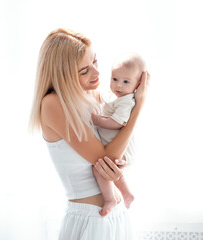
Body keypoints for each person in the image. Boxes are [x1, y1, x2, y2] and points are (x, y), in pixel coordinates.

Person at [29, 28, 149, 239]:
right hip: (92, 219)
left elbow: (115, 155)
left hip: (115, 214)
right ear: (62, 75)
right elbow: (107, 159)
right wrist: (138, 108)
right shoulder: (53, 104)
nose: (96, 73)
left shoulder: (91, 96)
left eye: (95, 62)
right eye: (84, 71)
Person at [91, 52, 146, 217]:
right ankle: (127, 194)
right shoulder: (116, 96)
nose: (119, 86)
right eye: (115, 79)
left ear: (137, 85)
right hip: (115, 146)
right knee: (108, 170)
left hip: (123, 150)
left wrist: (98, 121)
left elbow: (118, 122)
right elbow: (104, 99)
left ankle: (111, 198)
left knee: (100, 170)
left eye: (126, 82)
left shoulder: (127, 101)